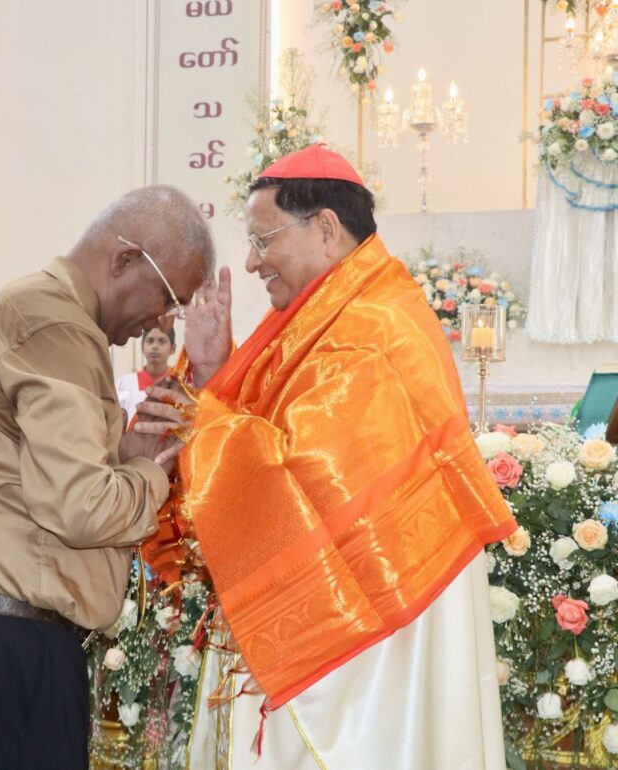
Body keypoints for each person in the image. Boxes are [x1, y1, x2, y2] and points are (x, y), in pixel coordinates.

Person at [145, 145, 518, 768]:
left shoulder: (374, 326)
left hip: (374, 638)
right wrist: (211, 372)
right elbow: (270, 434)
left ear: (324, 228)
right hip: (351, 604)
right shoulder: (327, 313)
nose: (252, 260)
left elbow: (305, 471)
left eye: (263, 239)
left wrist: (199, 419)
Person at [0, 185, 215, 769]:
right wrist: (150, 475)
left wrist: (124, 454)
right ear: (124, 259)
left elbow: (34, 472)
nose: (164, 320)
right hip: (1, 641)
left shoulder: (45, 311)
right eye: (169, 298)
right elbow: (80, 508)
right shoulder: (56, 324)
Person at [115, 325, 176, 422]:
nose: (155, 346)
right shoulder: (123, 384)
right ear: (142, 347)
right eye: (150, 341)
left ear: (173, 348)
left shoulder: (180, 385)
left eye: (162, 341)